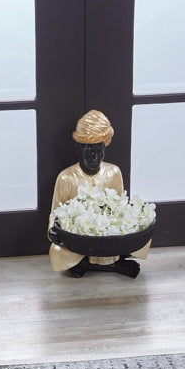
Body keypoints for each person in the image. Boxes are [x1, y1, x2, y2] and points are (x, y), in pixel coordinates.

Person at [48, 110, 151, 277]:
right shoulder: (66, 177)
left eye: (100, 151)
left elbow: (120, 209)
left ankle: (86, 266)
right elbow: (54, 214)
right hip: (80, 240)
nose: (96, 158)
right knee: (57, 251)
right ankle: (113, 267)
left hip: (107, 235)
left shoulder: (113, 172)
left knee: (143, 240)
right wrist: (53, 231)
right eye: (91, 152)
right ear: (79, 149)